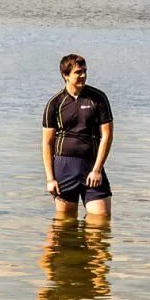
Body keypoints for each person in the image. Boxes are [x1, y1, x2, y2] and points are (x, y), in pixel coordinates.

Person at [41, 53, 113, 218]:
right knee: (64, 226)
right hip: (64, 168)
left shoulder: (98, 99)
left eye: (85, 71)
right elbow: (47, 143)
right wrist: (50, 179)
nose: (83, 76)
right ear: (65, 75)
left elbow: (107, 136)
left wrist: (97, 169)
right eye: (78, 72)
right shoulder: (55, 103)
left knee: (100, 221)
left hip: (91, 167)